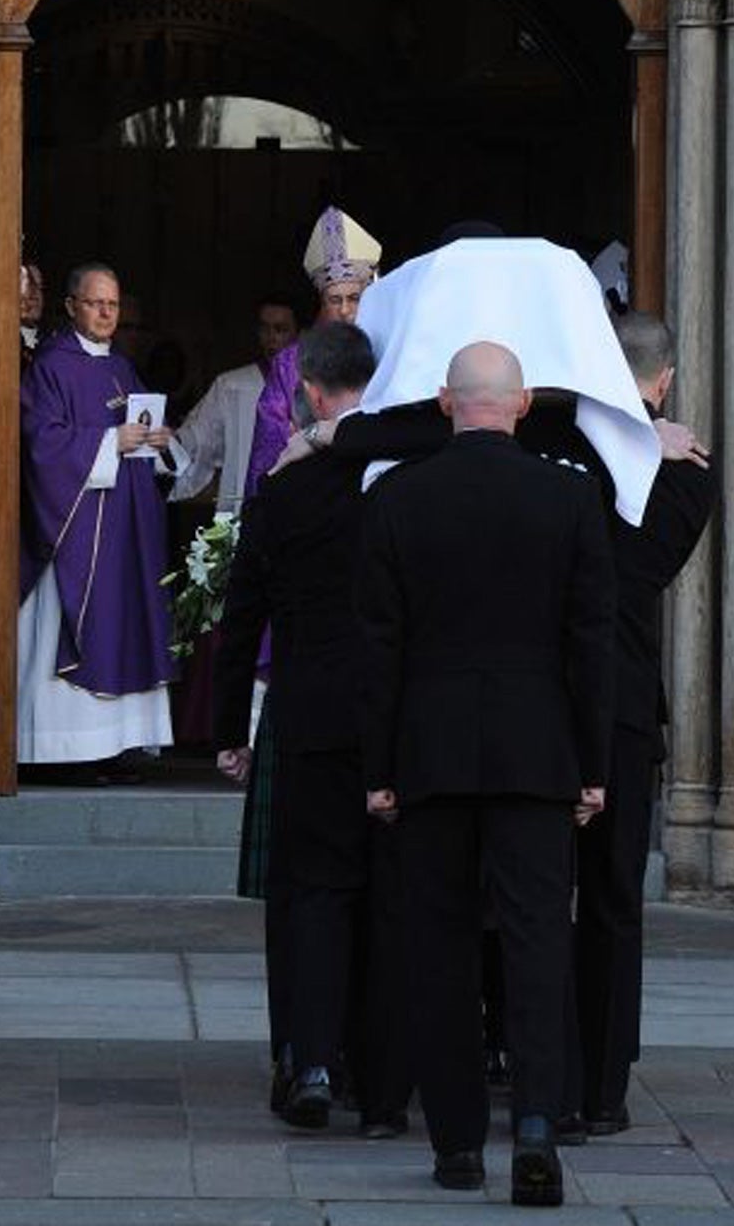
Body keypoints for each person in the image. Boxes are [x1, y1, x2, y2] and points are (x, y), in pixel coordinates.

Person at [358, 342, 614, 1208]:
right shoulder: (571, 496)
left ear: (443, 404)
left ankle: (458, 1144)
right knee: (540, 943)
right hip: (538, 753)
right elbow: (591, 641)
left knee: (438, 947)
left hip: (429, 754)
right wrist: (592, 765)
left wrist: (379, 767)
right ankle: (536, 1122)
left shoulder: (398, 496)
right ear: (524, 402)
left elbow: (379, 644)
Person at [213, 322, 404, 1135]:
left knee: (313, 894)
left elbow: (240, 615)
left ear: (315, 394)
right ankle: (376, 1070)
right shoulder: (405, 479)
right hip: (394, 718)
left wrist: (230, 728)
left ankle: (310, 1057)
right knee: (384, 896)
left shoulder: (287, 490)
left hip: (308, 712)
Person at [571, 312, 714, 1136]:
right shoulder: (669, 465)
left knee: (586, 898)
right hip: (616, 712)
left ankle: (582, 1079)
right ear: (663, 382)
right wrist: (631, 446)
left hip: (594, 706)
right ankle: (598, 1082)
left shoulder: (568, 461)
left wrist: (616, 448)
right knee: (609, 902)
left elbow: (615, 575)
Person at [17, 262, 186, 770]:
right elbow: (40, 445)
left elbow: (142, 437)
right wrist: (111, 441)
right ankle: (65, 749)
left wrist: (159, 442)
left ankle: (117, 746)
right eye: (95, 303)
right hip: (78, 529)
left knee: (126, 620)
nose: (106, 313)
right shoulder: (50, 366)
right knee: (82, 626)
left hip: (125, 528)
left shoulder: (122, 368)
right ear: (71, 307)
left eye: (112, 304)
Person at [246, 207, 381, 492]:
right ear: (321, 301)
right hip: (310, 485)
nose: (345, 310)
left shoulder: (387, 348)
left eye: (354, 298)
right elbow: (270, 434)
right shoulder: (289, 362)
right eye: (335, 299)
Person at [174, 293, 299, 517]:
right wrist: (170, 444)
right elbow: (200, 437)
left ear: (299, 333)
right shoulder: (232, 385)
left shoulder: (314, 383)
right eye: (264, 328)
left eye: (280, 329)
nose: (271, 338)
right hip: (244, 505)